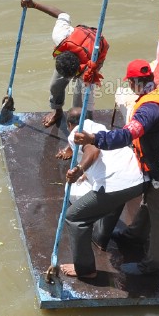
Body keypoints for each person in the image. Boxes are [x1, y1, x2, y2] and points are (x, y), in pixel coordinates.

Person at [73, 77, 159, 275]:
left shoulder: (148, 111)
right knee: (149, 203)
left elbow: (126, 136)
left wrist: (95, 138)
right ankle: (134, 236)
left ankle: (154, 262)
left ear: (132, 84)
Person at [57, 109, 147, 279]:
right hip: (138, 179)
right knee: (115, 198)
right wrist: (86, 170)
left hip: (116, 183)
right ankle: (101, 238)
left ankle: (85, 269)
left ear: (70, 125)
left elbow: (93, 151)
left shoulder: (76, 132)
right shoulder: (99, 127)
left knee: (74, 217)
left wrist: (79, 168)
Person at [19, 0, 108, 127]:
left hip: (94, 52)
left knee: (79, 104)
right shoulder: (60, 36)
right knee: (55, 85)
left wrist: (85, 122)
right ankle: (57, 111)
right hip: (74, 47)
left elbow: (89, 103)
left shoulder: (89, 68)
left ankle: (79, 125)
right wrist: (35, 5)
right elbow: (62, 14)